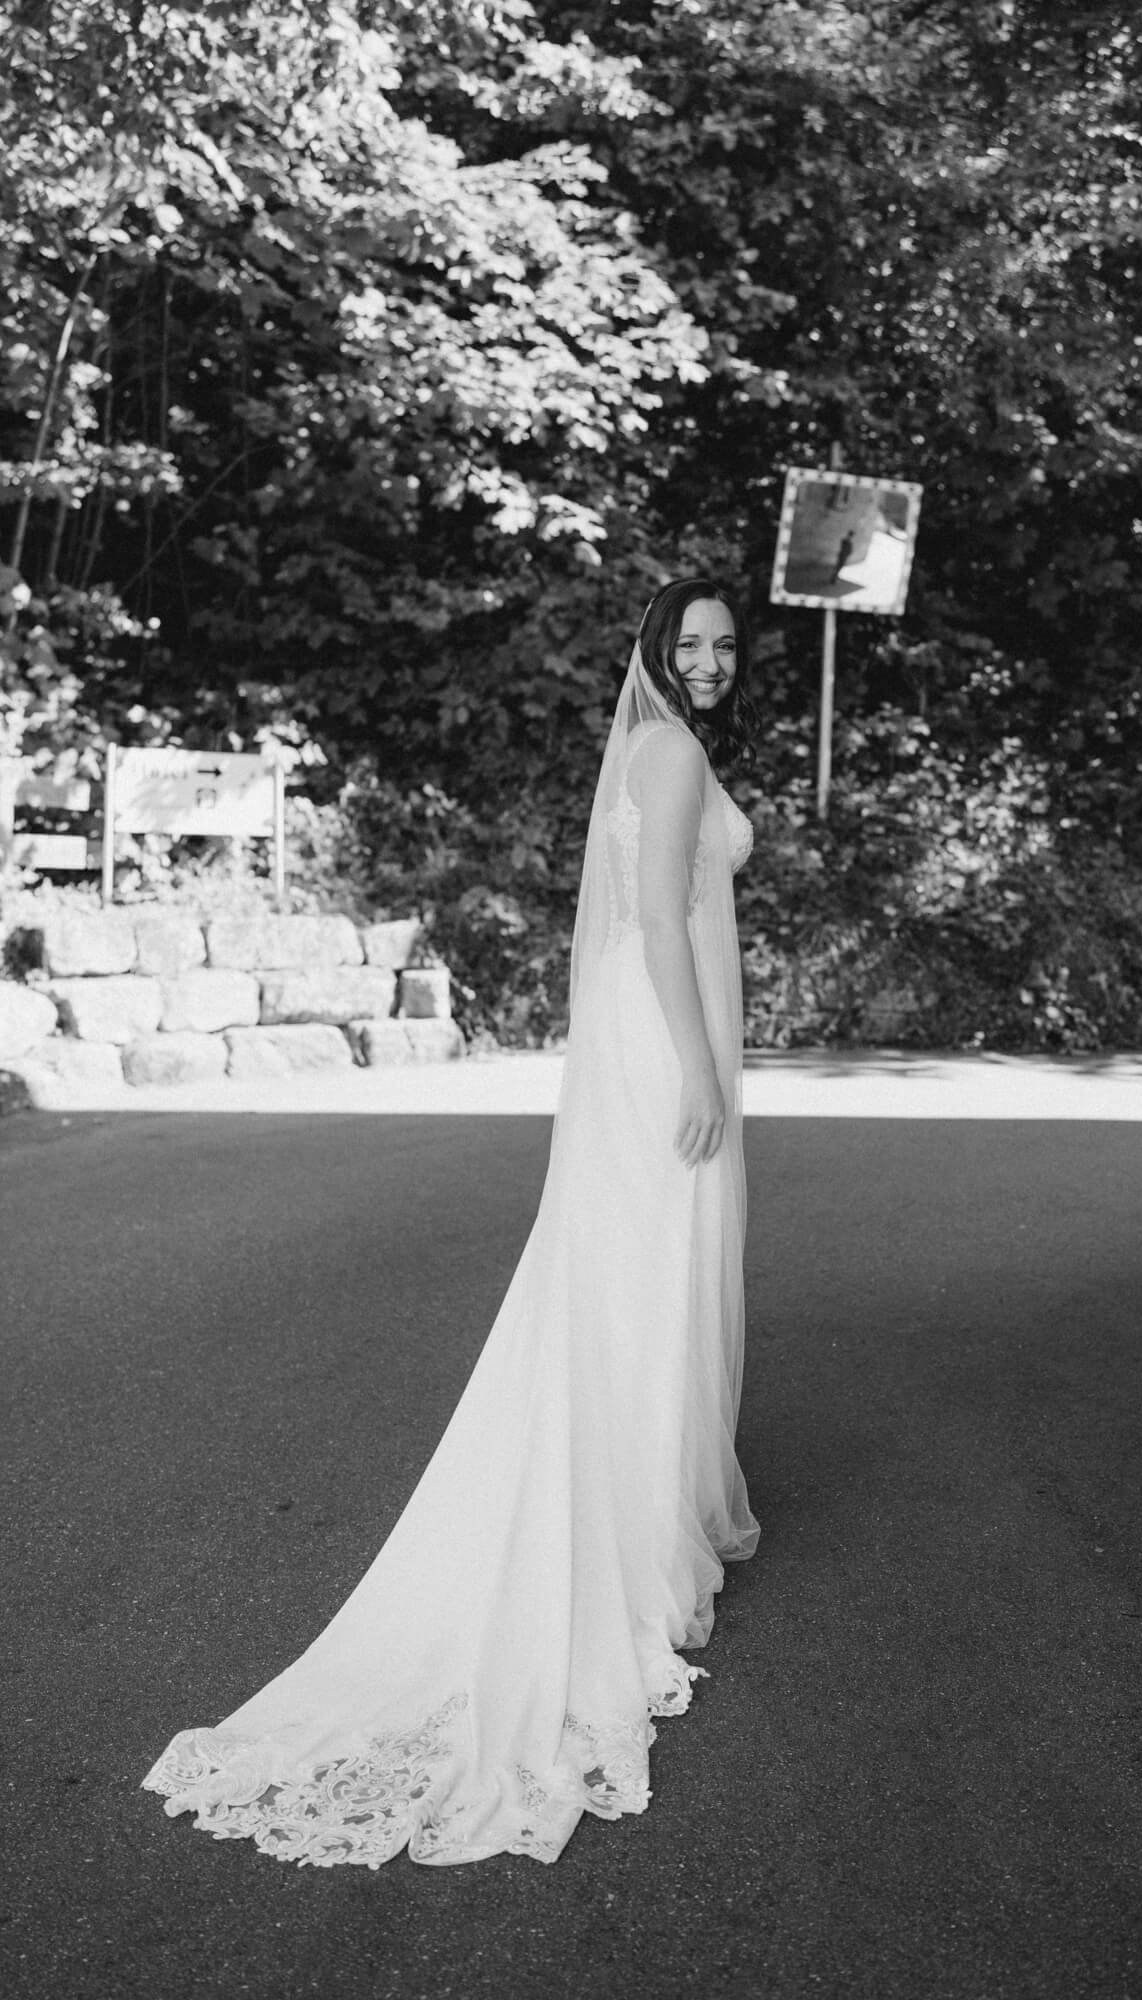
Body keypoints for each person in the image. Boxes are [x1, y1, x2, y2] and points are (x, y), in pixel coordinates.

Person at [141, 578, 762, 1869]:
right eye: (688, 642)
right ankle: (629, 1540)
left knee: (618, 1279)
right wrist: (700, 1070)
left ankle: (641, 1508)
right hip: (665, 1044)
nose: (709, 660)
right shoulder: (673, 751)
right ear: (656, 653)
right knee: (641, 1281)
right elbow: (656, 920)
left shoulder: (653, 747)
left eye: (723, 644)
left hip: (642, 1033)